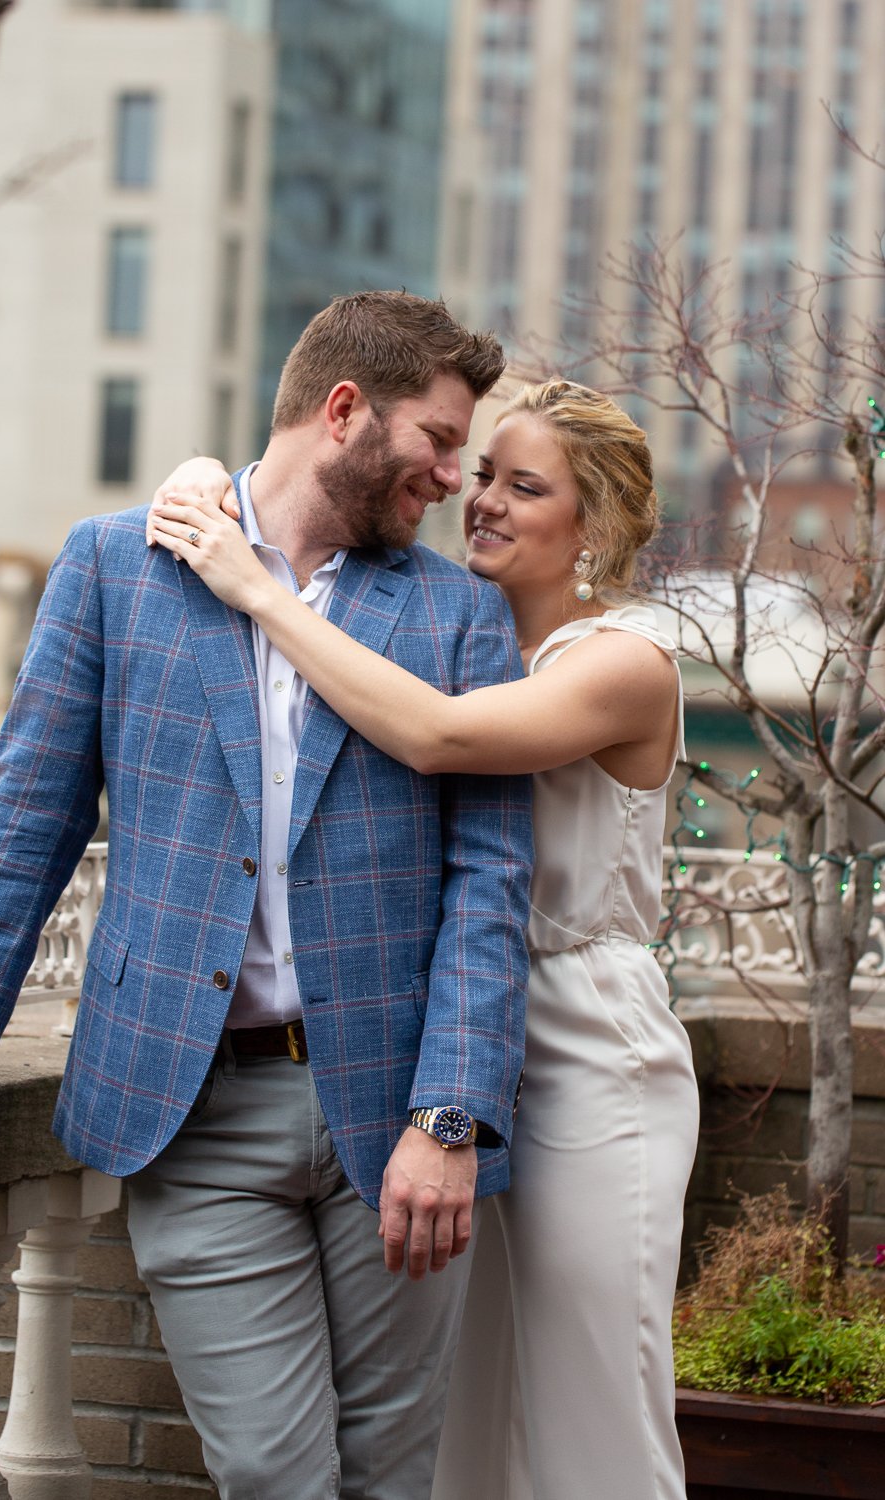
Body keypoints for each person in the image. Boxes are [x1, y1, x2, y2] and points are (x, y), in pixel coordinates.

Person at [0, 292, 534, 1500]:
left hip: (396, 1115)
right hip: (192, 1110)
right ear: (345, 412)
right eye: (440, 440)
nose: (457, 478)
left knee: (392, 1478)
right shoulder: (112, 569)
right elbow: (30, 821)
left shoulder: (457, 617)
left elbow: (486, 887)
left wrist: (451, 1118)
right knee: (272, 1477)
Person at [146, 377, 701, 1500]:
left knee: (596, 1390)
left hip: (589, 1050)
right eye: (481, 472)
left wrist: (253, 587)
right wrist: (214, 487)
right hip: (452, 1048)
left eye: (521, 485)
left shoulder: (622, 663)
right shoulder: (460, 627)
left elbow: (439, 737)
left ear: (589, 526)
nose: (479, 498)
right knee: (464, 1417)